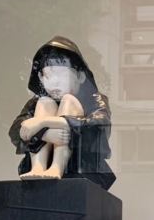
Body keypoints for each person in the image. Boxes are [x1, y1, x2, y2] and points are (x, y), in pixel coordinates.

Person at [8, 36, 115, 189]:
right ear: (41, 77)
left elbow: (99, 123)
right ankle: (38, 167)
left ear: (80, 76)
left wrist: (43, 123)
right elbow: (18, 129)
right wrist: (45, 134)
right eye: (48, 75)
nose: (54, 82)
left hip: (80, 167)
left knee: (69, 101)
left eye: (62, 75)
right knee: (44, 103)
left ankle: (57, 167)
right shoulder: (37, 102)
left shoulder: (94, 99)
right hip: (42, 160)